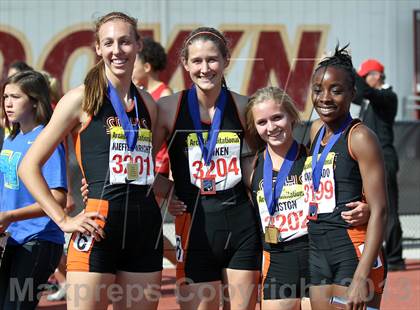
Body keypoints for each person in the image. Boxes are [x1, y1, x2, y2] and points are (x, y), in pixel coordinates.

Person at [18, 12, 162, 309]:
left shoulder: (148, 104)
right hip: (97, 226)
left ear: (138, 45)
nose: (116, 50)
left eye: (124, 42)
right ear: (98, 48)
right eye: (108, 43)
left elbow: (146, 173)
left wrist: (175, 193)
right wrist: (62, 220)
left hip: (145, 227)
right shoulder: (81, 99)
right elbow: (28, 166)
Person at [157, 27, 262, 309]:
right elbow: (138, 164)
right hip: (194, 230)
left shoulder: (243, 106)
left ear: (226, 60)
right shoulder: (168, 108)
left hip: (241, 226)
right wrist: (169, 191)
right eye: (198, 61)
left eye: (213, 60)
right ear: (185, 64)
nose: (205, 68)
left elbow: (261, 162)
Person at [306, 45, 387, 310]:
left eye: (336, 90)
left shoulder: (360, 137)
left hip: (352, 250)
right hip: (319, 248)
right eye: (318, 89)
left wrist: (360, 276)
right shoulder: (316, 131)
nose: (325, 98)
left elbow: (380, 211)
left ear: (352, 93)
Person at [0, 70, 67, 309]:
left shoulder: (45, 139)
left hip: (38, 240)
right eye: (6, 96)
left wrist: (11, 216)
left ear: (35, 101)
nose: (8, 102)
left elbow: (58, 198)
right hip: (12, 239)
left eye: (16, 97)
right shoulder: (11, 138)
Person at [246, 86, 311, 310]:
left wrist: (365, 207)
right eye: (262, 122)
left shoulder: (313, 157)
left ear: (291, 116)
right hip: (278, 262)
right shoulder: (250, 167)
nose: (271, 127)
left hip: (317, 257)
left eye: (277, 117)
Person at [355, 59, 405, 271]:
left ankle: (394, 257)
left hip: (384, 158)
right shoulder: (368, 100)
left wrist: (347, 66)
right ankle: (376, 252)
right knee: (371, 206)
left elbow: (366, 92)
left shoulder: (387, 96)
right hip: (370, 160)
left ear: (375, 76)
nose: (363, 82)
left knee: (388, 207)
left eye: (365, 76)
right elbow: (355, 91)